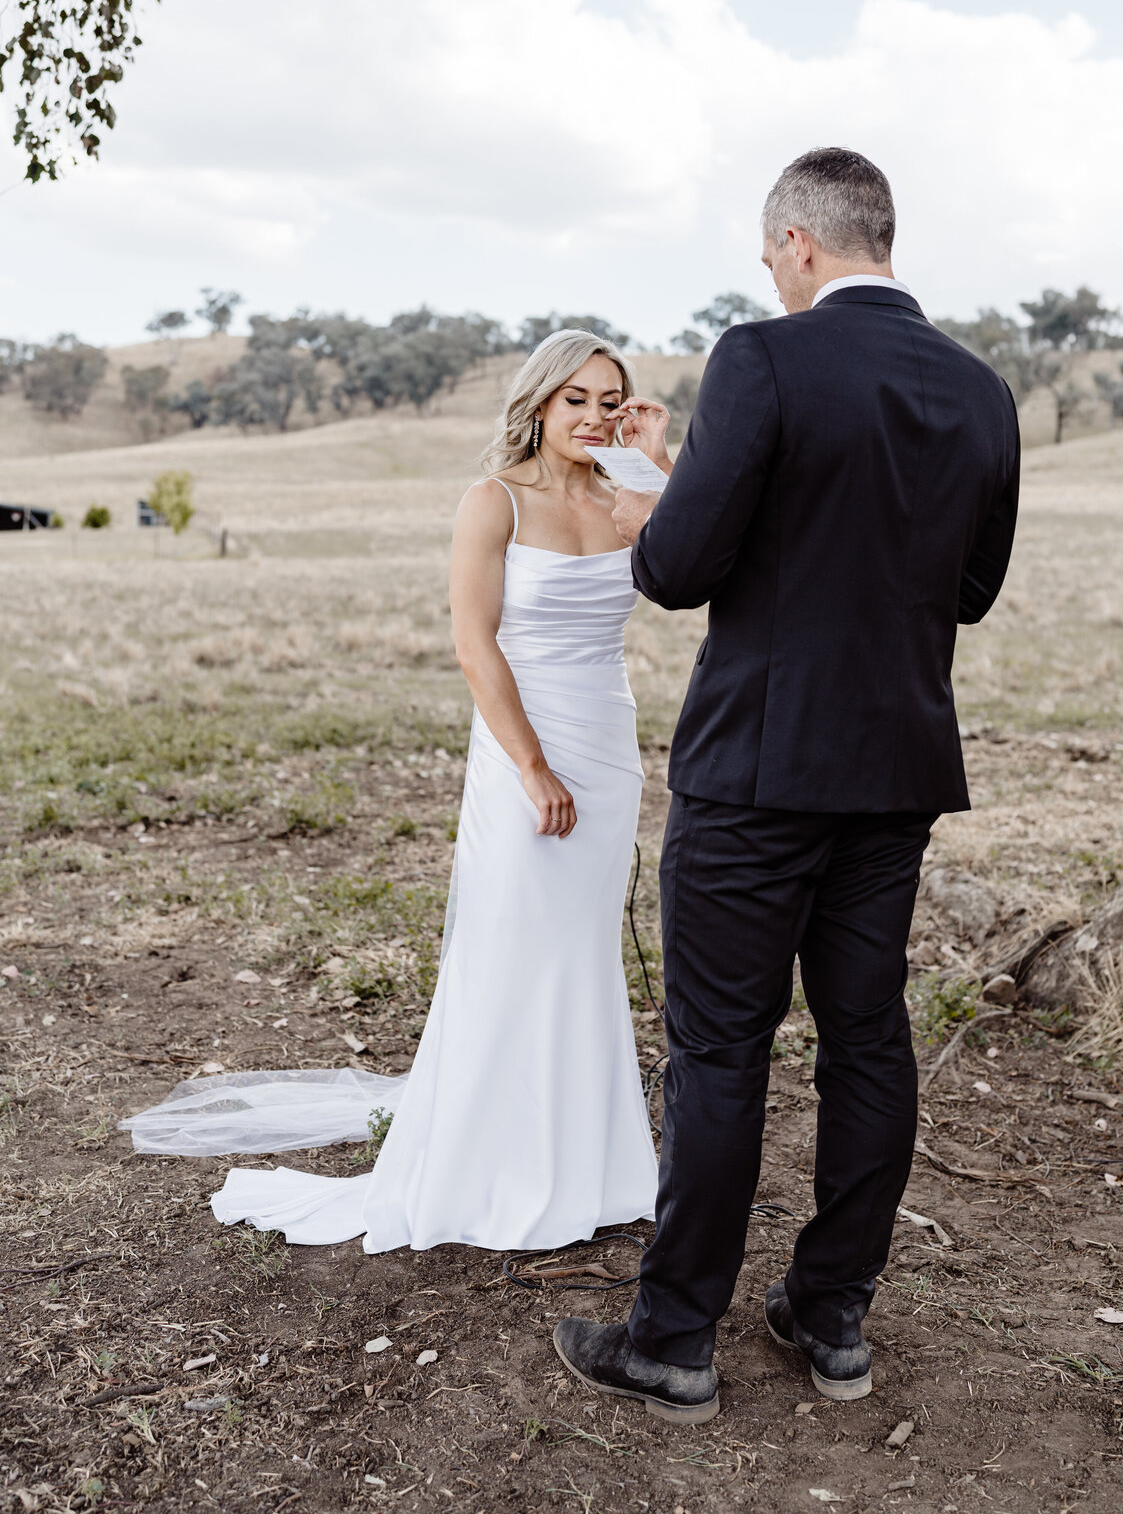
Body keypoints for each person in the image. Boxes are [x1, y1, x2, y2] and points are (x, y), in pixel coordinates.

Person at [553, 147, 1021, 1426]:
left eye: (772, 258)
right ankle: (833, 1315)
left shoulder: (761, 357)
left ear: (802, 245)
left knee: (719, 1048)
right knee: (868, 1037)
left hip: (758, 777)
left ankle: (674, 1339)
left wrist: (664, 496)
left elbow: (679, 569)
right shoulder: (983, 391)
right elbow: (970, 592)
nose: (771, 275)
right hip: (898, 775)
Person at [121, 331, 672, 1256]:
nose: (591, 415)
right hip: (520, 744)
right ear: (538, 404)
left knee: (581, 951)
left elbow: (674, 580)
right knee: (510, 943)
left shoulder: (630, 498)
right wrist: (532, 765)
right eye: (573, 398)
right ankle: (486, 1164)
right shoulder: (491, 501)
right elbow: (473, 645)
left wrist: (651, 465)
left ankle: (594, 1164)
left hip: (608, 745)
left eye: (609, 399)